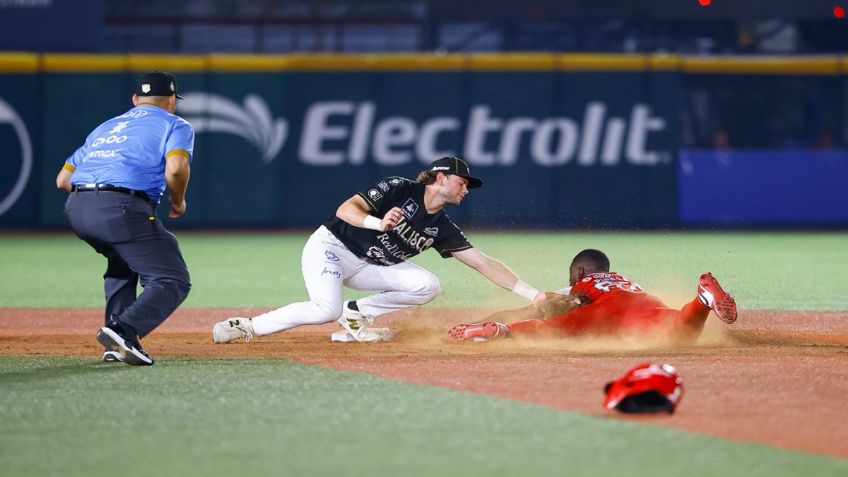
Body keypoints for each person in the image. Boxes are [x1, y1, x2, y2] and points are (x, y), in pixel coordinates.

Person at [212, 156, 544, 343]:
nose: (466, 190)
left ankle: (356, 311)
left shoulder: (441, 225)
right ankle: (249, 326)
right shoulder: (400, 188)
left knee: (427, 285)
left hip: (368, 266)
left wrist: (533, 295)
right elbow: (346, 210)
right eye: (462, 182)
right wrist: (377, 223)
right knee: (325, 309)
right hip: (331, 247)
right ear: (441, 178)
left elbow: (482, 263)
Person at [55, 71, 194, 365]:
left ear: (135, 100)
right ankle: (124, 330)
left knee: (122, 263)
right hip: (121, 207)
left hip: (77, 207)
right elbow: (177, 169)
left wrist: (94, 198)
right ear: (171, 100)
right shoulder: (174, 124)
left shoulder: (105, 127)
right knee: (172, 278)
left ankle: (114, 345)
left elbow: (62, 179)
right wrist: (178, 201)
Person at [448, 248, 737, 343]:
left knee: (552, 327)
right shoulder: (622, 280)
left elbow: (536, 309)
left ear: (581, 271)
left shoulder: (581, 285)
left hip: (609, 311)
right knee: (682, 328)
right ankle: (701, 300)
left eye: (572, 273)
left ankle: (498, 331)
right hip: (647, 303)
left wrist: (499, 318)